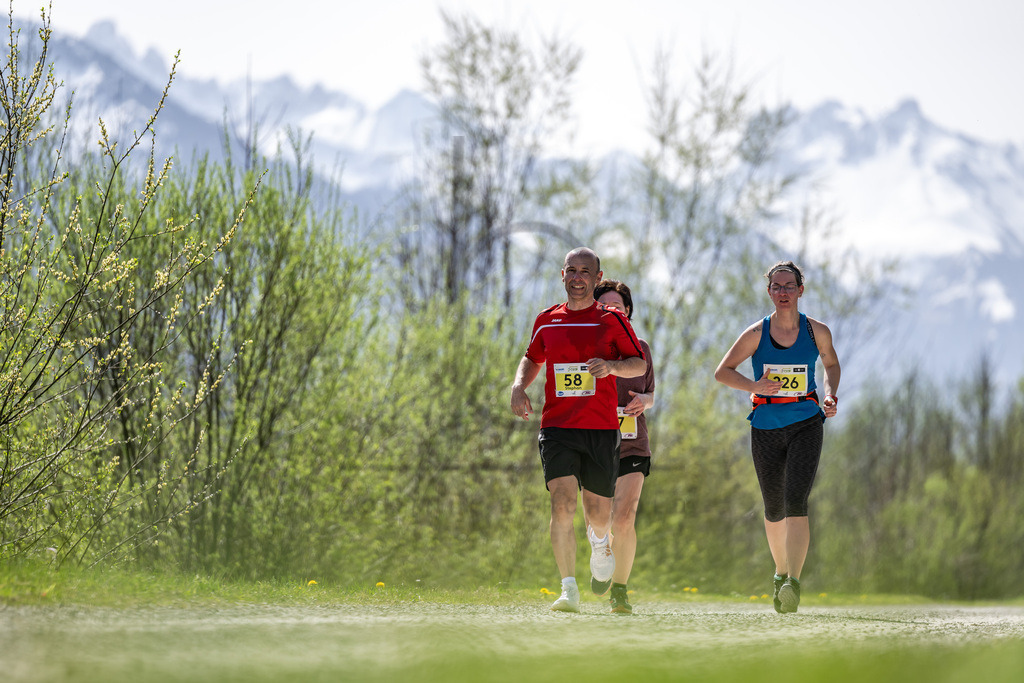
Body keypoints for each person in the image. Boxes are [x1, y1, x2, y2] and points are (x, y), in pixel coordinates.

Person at [510, 248, 647, 613]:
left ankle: (600, 544)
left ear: (597, 277)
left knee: (599, 514)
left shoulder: (612, 320)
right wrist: (519, 386)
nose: (577, 277)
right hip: (557, 427)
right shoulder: (547, 319)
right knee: (562, 503)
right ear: (562, 274)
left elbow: (638, 363)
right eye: (571, 270)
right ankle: (568, 588)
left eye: (585, 271)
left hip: (600, 428)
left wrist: (611, 367)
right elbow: (532, 357)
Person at [713, 260, 840, 614]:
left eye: (789, 286)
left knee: (796, 499)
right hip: (766, 425)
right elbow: (722, 371)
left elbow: (831, 364)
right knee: (773, 507)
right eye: (776, 287)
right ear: (769, 292)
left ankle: (793, 583)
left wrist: (830, 394)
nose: (783, 292)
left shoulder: (817, 331)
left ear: (801, 290)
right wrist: (753, 386)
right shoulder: (756, 333)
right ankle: (780, 573)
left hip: (806, 421)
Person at [591, 279, 656, 615]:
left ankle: (619, 590)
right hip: (594, 444)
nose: (613, 311)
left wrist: (644, 401)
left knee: (625, 517)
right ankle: (601, 558)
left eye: (618, 306)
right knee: (600, 521)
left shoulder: (641, 348)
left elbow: (651, 394)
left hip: (633, 445)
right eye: (606, 307)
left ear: (628, 311)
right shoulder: (587, 349)